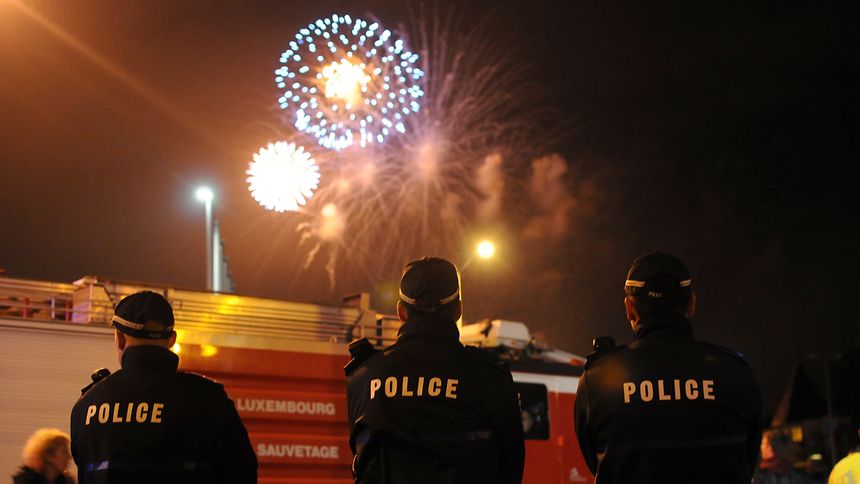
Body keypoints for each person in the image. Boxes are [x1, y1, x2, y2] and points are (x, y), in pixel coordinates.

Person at [574, 251, 762, 483]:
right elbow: (749, 459)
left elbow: (594, 461)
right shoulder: (735, 372)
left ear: (629, 308)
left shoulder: (598, 379)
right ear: (691, 303)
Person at [345, 257, 525, 483]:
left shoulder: (363, 375)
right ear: (458, 310)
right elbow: (511, 467)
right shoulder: (490, 375)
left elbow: (360, 460)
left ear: (401, 312)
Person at [70, 290, 257, 484]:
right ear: (172, 340)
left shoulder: (86, 406)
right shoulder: (209, 401)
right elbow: (243, 473)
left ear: (120, 338)